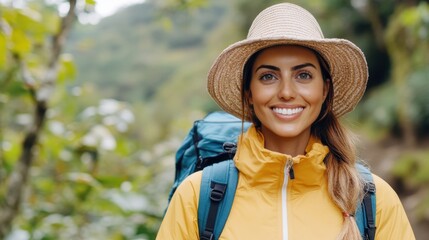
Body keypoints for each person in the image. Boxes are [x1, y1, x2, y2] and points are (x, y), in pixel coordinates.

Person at [156, 2, 415, 240]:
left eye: (303, 75)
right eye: (268, 77)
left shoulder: (373, 200)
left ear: (324, 90)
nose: (287, 92)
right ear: (249, 93)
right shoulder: (196, 197)